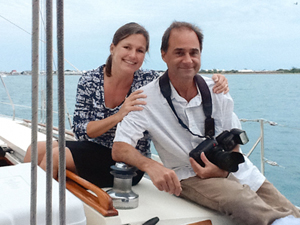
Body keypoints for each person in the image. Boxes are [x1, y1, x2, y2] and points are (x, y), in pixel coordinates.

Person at [112, 21, 300, 225]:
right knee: (240, 200)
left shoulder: (216, 90)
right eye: (179, 52)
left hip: (234, 169)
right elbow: (120, 148)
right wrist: (152, 166)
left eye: (194, 53)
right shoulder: (146, 98)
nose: (188, 60)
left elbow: (234, 139)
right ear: (163, 54)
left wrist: (225, 170)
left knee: (289, 209)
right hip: (188, 175)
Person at [23, 22, 229, 188]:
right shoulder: (90, 80)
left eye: (140, 50)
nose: (133, 55)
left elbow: (182, 74)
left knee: (53, 156)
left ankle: (42, 210)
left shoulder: (148, 81)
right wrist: (118, 115)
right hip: (92, 146)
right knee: (35, 149)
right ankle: (25, 202)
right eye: (127, 47)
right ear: (113, 48)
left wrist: (216, 80)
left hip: (128, 160)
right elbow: (82, 131)